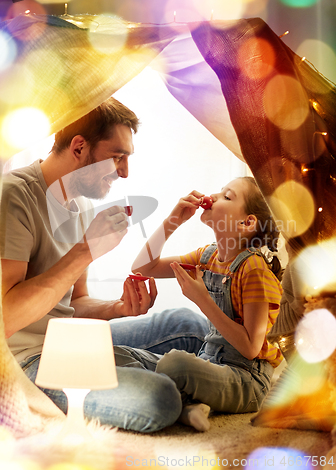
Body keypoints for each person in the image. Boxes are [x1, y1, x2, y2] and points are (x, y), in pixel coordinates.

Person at [0, 97, 189, 433]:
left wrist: (118, 308)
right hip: (28, 360)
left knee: (186, 323)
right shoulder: (13, 196)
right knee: (159, 398)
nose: (125, 172)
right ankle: (181, 379)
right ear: (79, 147)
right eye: (117, 157)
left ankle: (181, 374)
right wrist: (85, 251)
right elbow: (6, 317)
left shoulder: (83, 205)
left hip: (71, 340)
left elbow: (74, 303)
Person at [129, 177, 284, 431]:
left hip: (246, 379)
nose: (214, 195)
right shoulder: (208, 255)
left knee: (174, 364)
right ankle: (192, 403)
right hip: (210, 362)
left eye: (227, 196)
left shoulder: (254, 269)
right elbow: (143, 267)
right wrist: (172, 222)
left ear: (247, 223)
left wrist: (201, 298)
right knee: (121, 355)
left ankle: (186, 400)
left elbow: (250, 348)